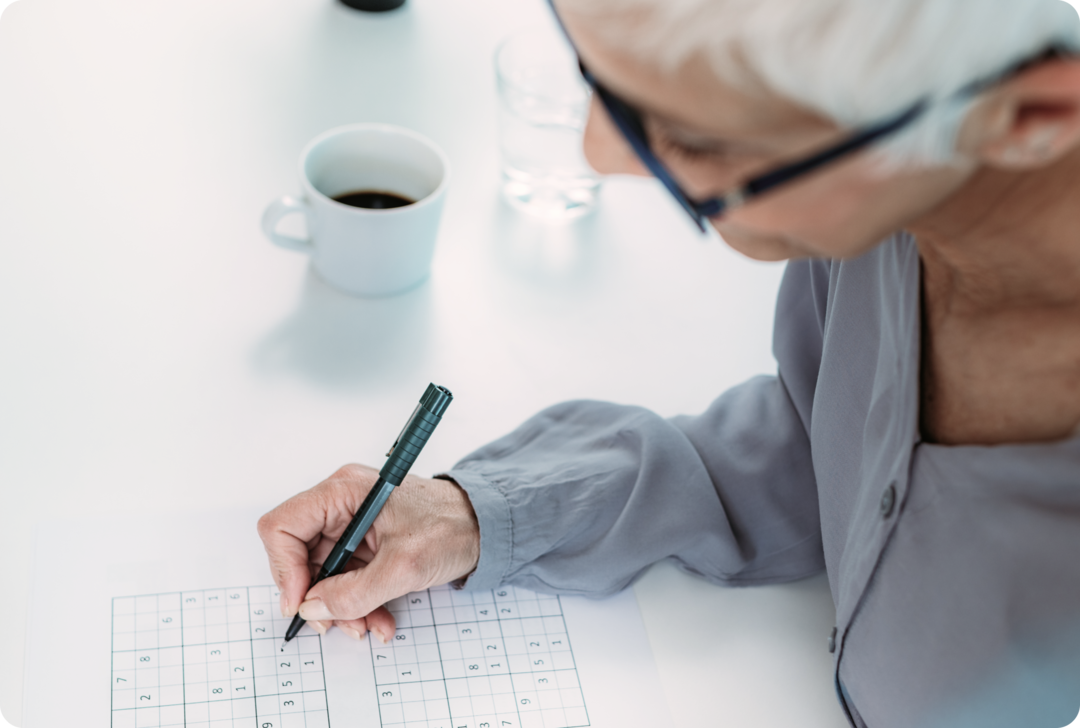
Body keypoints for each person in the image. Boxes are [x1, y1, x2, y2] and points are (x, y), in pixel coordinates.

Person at [258, 0, 1080, 725]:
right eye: (603, 77)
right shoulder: (898, 192)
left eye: (693, 136)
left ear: (1029, 114)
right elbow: (830, 445)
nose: (595, 154)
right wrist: (481, 515)